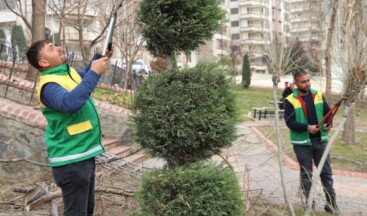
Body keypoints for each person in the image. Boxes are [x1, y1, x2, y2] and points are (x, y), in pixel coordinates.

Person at [26, 40, 112, 216]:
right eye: (51, 49)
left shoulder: (66, 73)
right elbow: (70, 103)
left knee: (87, 210)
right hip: (71, 159)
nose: (58, 48)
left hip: (82, 154)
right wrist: (94, 72)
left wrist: (99, 55)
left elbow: (87, 77)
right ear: (43, 63)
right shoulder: (49, 85)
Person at [283, 70, 339, 214]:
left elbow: (328, 112)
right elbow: (290, 123)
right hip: (302, 144)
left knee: (326, 172)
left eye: (308, 80)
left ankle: (331, 203)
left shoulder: (318, 94)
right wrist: (307, 128)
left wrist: (329, 123)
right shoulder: (289, 100)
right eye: (303, 82)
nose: (307, 84)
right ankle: (310, 205)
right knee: (306, 174)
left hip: (320, 141)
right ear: (296, 83)